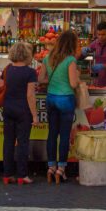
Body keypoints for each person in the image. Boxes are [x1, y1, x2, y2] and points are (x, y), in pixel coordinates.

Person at [38, 30, 80, 184]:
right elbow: (73, 83)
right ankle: (61, 169)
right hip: (65, 99)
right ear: (72, 44)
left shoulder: (48, 57)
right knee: (64, 135)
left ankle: (50, 167)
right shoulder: (70, 60)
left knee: (52, 134)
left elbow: (41, 78)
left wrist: (53, 80)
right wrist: (77, 76)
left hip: (51, 98)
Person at [0, 42, 38, 185]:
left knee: (8, 142)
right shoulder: (30, 72)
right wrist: (34, 115)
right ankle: (22, 175)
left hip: (8, 109)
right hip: (23, 111)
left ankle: (7, 174)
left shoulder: (7, 69)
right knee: (22, 143)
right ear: (27, 55)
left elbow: (0, 87)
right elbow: (30, 96)